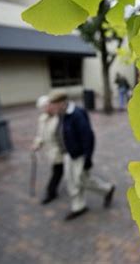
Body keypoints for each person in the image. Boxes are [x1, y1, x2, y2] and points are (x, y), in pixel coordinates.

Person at [47, 90, 116, 220]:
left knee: (83, 179)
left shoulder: (76, 114)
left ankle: (107, 189)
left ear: (61, 103)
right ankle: (78, 207)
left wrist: (88, 158)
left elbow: (88, 137)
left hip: (79, 154)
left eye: (53, 104)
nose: (51, 107)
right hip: (68, 153)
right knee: (71, 181)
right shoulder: (61, 114)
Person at [32, 95, 64, 205]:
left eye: (45, 107)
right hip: (52, 152)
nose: (44, 110)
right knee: (58, 171)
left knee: (58, 172)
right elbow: (40, 134)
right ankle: (52, 192)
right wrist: (37, 144)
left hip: (61, 152)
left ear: (50, 105)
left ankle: (51, 192)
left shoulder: (60, 118)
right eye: (42, 108)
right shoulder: (42, 119)